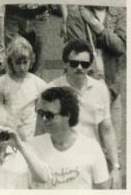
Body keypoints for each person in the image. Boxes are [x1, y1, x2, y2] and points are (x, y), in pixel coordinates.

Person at [48, 39, 121, 182]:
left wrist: (115, 167)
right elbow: (42, 132)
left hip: (92, 162)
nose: (79, 67)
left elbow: (107, 130)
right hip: (61, 164)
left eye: (85, 64)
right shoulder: (52, 90)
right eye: (74, 63)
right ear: (65, 63)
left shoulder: (100, 90)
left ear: (90, 66)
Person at [28, 85, 110, 189]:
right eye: (41, 113)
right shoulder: (32, 147)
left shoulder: (91, 148)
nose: (43, 119)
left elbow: (103, 189)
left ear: (67, 115)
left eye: (49, 115)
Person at [0, 37, 48, 140]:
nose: (21, 67)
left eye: (25, 62)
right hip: (9, 131)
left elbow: (42, 111)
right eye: (17, 63)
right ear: (10, 62)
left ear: (31, 61)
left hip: (30, 132)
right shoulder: (2, 83)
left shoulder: (38, 84)